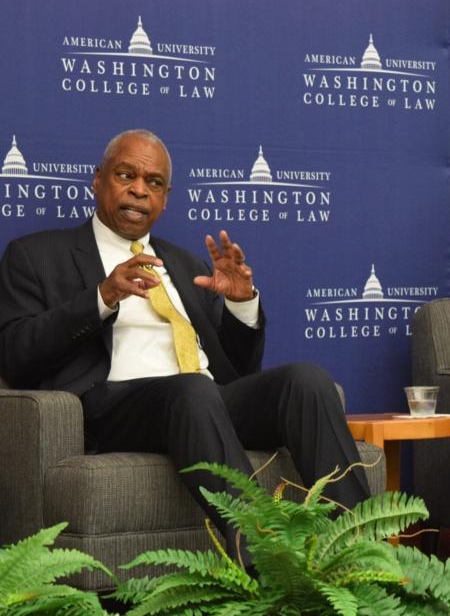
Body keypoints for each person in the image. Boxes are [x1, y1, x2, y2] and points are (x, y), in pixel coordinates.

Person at [0, 129, 371, 556]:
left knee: (306, 381)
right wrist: (101, 297)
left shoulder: (183, 263)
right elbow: (14, 355)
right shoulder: (36, 255)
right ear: (97, 180)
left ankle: (362, 556)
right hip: (114, 407)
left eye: (154, 183)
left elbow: (239, 370)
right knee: (193, 390)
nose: (139, 190)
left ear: (166, 198)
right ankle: (266, 567)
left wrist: (241, 306)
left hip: (202, 402)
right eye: (126, 175)